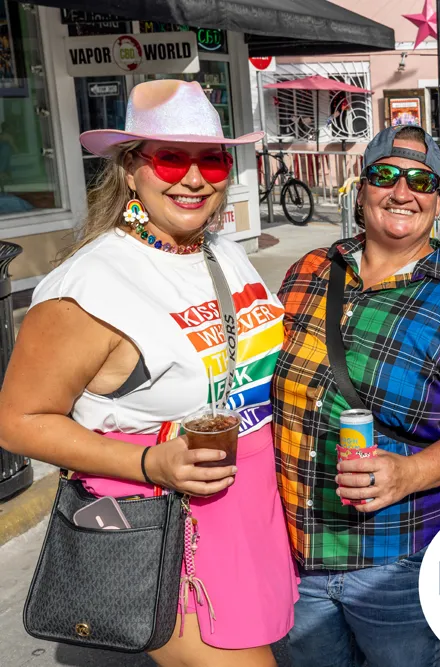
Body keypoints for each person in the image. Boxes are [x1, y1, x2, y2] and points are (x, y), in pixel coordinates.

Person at [0, 79, 298, 666]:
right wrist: (148, 463)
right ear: (131, 170)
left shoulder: (219, 249)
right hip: (162, 519)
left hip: (248, 508)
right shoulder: (90, 287)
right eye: (171, 159)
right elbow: (17, 421)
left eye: (212, 160)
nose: (195, 179)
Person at [273, 124, 440, 667]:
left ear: (438, 200)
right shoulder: (310, 271)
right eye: (385, 176)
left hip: (398, 562)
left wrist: (408, 473)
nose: (402, 192)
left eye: (421, 181)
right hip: (296, 552)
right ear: (361, 188)